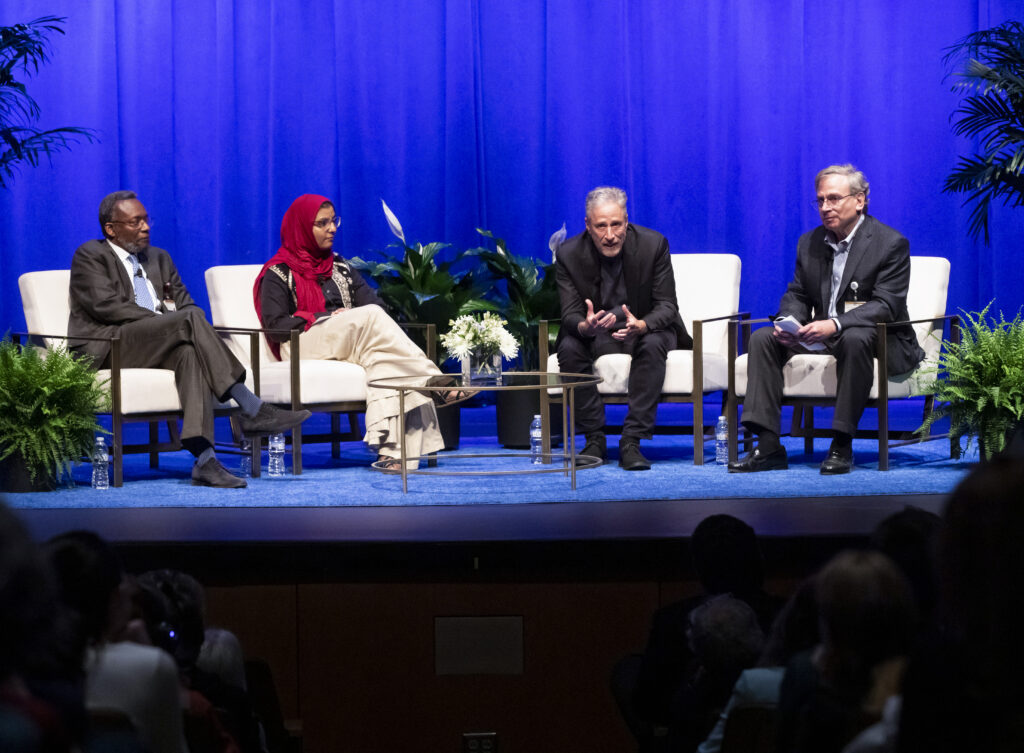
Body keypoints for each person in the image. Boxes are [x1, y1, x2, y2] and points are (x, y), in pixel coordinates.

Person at [68, 190, 310, 488]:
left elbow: (188, 304)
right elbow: (106, 306)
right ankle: (251, 407)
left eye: (146, 219)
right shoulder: (91, 254)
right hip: (111, 344)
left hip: (158, 341)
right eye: (135, 222)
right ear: (111, 229)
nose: (145, 227)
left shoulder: (159, 258)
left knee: (189, 351)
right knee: (186, 323)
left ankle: (205, 460)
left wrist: (175, 323)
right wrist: (166, 322)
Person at [729, 165, 924, 475]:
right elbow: (797, 293)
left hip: (878, 338)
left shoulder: (890, 243)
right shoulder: (810, 242)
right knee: (763, 338)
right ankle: (768, 446)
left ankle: (841, 444)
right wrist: (790, 322)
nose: (825, 208)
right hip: (825, 335)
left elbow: (886, 305)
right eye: (820, 200)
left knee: (854, 336)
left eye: (834, 199)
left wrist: (833, 324)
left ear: (860, 200)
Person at [255, 193, 453, 471]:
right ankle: (432, 378)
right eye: (322, 223)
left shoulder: (341, 267)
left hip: (351, 341)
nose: (332, 228)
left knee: (386, 362)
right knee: (369, 317)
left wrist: (349, 319)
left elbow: (376, 305)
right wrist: (323, 317)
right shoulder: (277, 273)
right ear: (302, 227)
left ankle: (392, 455)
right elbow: (275, 327)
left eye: (333, 221)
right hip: (301, 344)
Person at [555, 186, 691, 470]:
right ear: (587, 226)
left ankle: (631, 440)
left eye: (616, 224)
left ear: (626, 221)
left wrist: (642, 324)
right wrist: (586, 325)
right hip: (599, 335)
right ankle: (594, 438)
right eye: (601, 226)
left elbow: (667, 306)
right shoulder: (568, 254)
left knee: (653, 343)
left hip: (645, 328)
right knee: (568, 346)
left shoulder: (653, 245)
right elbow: (569, 314)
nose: (610, 235)